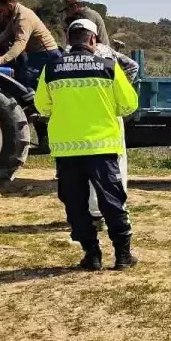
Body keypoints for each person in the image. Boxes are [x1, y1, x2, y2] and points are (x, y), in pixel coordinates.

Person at [35, 19, 139, 271]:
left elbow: (42, 106)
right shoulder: (108, 66)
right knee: (111, 201)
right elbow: (129, 105)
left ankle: (91, 255)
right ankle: (123, 255)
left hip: (68, 149)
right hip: (102, 147)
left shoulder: (52, 68)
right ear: (93, 40)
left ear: (69, 41)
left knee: (75, 203)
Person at [85, 41, 139, 225]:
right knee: (116, 168)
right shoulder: (108, 55)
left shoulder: (72, 56)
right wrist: (118, 94)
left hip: (86, 116)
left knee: (89, 169)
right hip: (110, 115)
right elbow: (133, 66)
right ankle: (118, 210)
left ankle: (95, 213)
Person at [0, 0, 61, 85]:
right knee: (24, 79)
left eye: (2, 10)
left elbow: (20, 43)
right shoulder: (15, 15)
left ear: (9, 5)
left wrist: (2, 60)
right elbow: (7, 32)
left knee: (25, 81)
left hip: (46, 53)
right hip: (36, 54)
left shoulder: (23, 17)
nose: (1, 13)